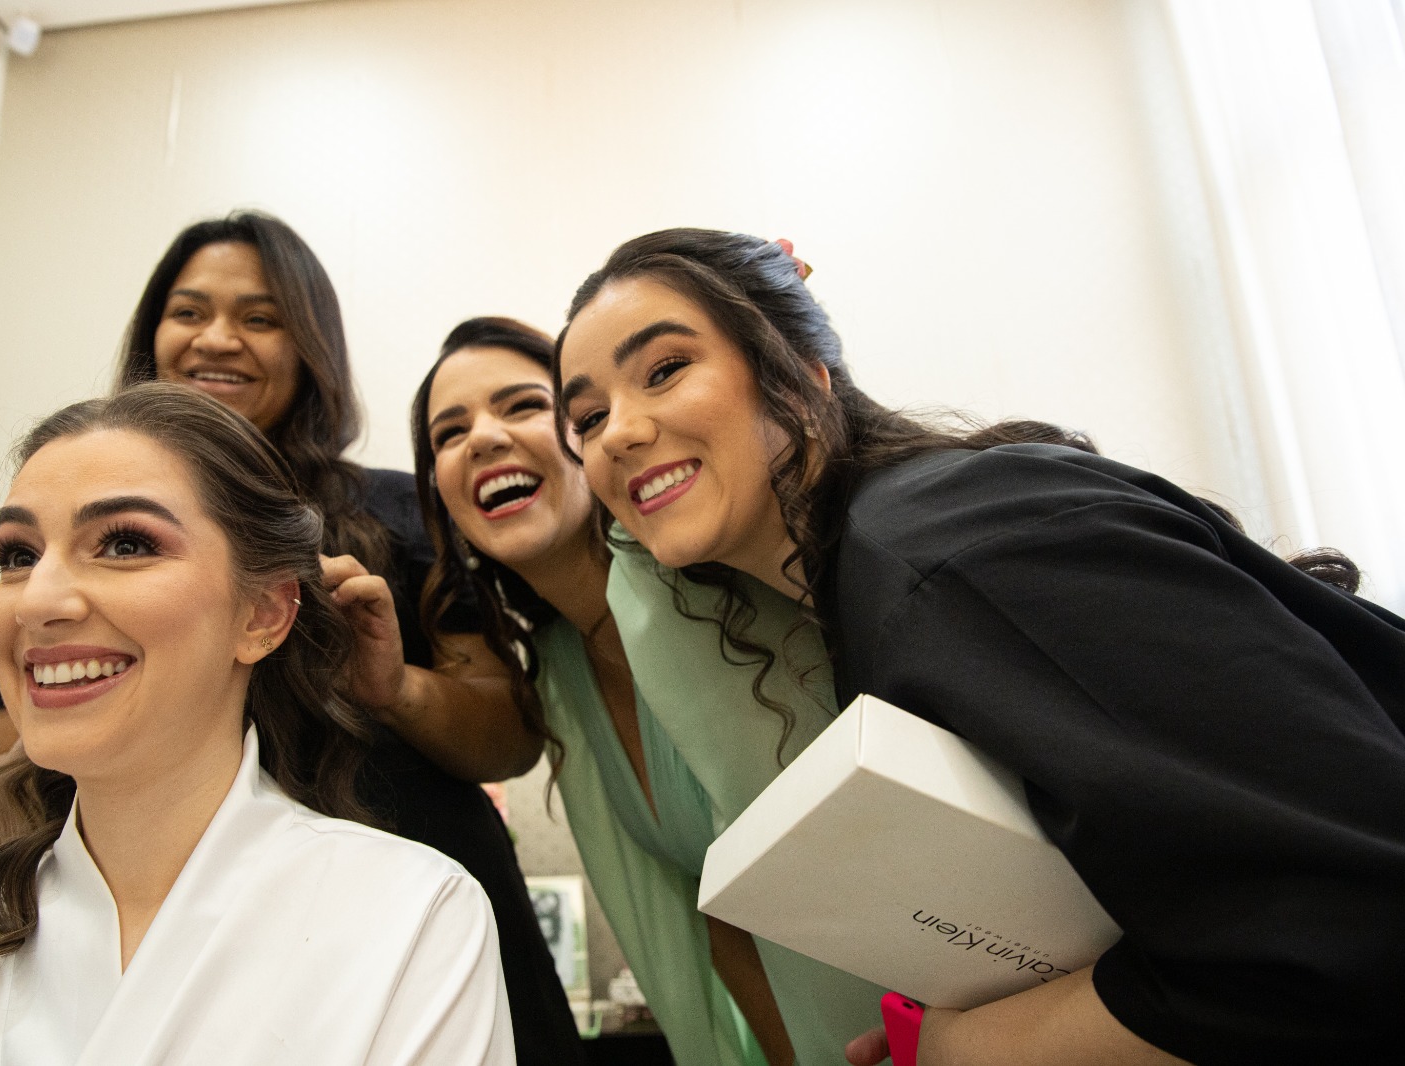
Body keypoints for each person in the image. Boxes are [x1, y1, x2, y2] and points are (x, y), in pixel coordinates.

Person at [552, 228, 1405, 1065]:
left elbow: (1347, 920)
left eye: (665, 369)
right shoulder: (875, 579)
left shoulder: (943, 553)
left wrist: (976, 1046)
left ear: (804, 375)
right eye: (587, 419)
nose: (617, 432)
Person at [0, 213, 582, 1065]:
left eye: (260, 318)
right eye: (189, 312)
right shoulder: (59, 569)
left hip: (411, 934)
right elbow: (2, 783)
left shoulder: (401, 511)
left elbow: (509, 736)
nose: (218, 339)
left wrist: (396, 689)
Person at [0, 384, 514, 1065]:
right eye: (18, 556)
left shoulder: (410, 920)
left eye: (125, 544)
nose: (37, 602)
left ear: (263, 613)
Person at [412, 317, 886, 1066]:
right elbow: (724, 924)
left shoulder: (718, 585)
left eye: (523, 406)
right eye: (450, 433)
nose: (483, 439)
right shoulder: (560, 673)